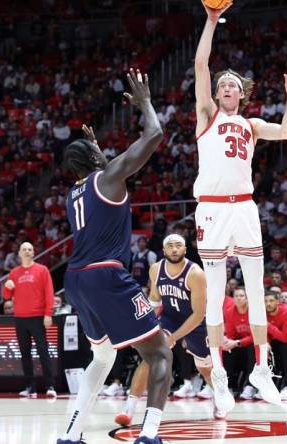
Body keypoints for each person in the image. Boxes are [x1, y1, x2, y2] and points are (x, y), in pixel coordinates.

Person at [193, 2, 287, 412]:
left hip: (243, 208)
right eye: (222, 85)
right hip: (211, 210)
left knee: (257, 290)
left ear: (241, 94)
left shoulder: (252, 125)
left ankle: (262, 370)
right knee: (216, 297)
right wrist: (210, 21)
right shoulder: (205, 114)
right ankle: (220, 379)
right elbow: (201, 64)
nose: (225, 88)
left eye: (231, 86)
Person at [57, 69, 170, 444]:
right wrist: (145, 103)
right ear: (94, 159)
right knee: (160, 354)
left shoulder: (74, 193)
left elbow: (102, 175)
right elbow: (154, 135)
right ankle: (150, 436)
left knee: (102, 358)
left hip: (75, 279)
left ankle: (70, 436)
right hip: (106, 276)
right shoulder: (106, 180)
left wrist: (95, 153)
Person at [115, 234, 223, 426]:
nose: (174, 249)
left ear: (185, 250)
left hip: (196, 324)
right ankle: (129, 409)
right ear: (163, 251)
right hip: (169, 319)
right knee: (151, 358)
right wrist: (144, 327)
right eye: (170, 246)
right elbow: (155, 300)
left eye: (178, 245)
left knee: (205, 369)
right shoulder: (156, 269)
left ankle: (219, 398)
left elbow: (198, 314)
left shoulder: (196, 273)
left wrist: (173, 337)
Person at [3, 242, 57, 399]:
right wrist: (7, 287)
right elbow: (6, 297)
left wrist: (48, 314)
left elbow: (49, 293)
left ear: (33, 253)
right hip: (20, 318)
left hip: (38, 317)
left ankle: (50, 385)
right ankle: (30, 387)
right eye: (24, 249)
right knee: (25, 353)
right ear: (19, 253)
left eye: (30, 249)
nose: (27, 251)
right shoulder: (13, 273)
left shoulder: (42, 270)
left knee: (43, 352)